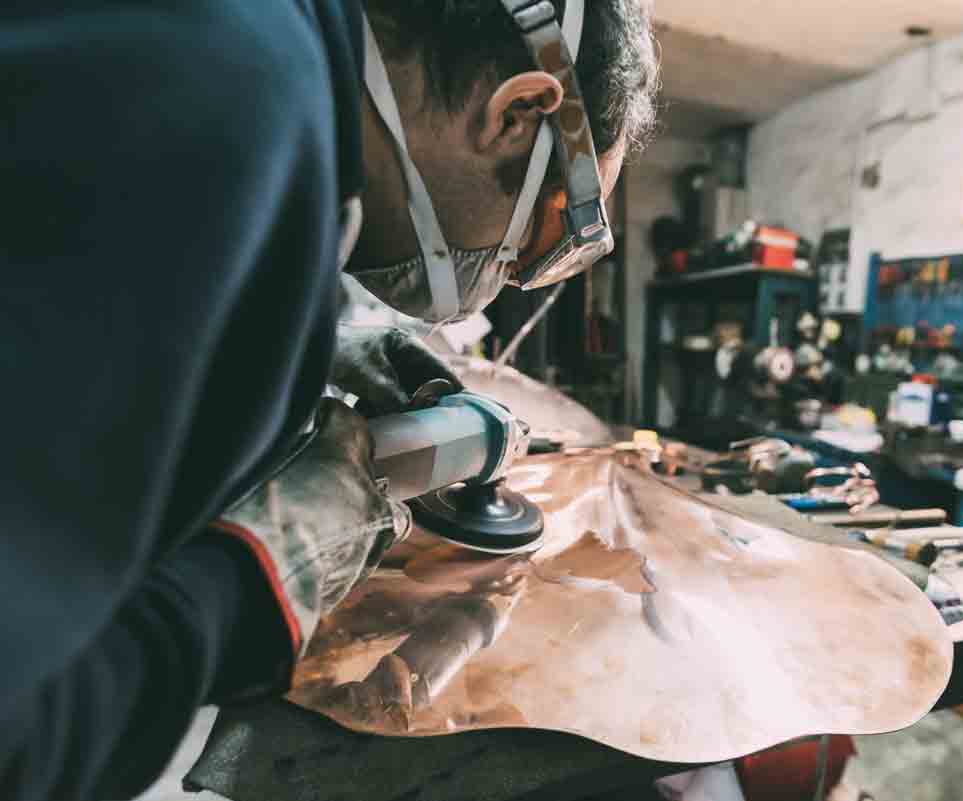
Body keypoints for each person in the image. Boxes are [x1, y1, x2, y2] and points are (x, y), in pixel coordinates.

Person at [0, 1, 659, 798]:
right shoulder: (240, 98)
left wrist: (296, 331)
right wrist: (261, 578)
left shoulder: (242, 44)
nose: (516, 270)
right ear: (515, 113)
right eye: (551, 230)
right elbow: (23, 737)